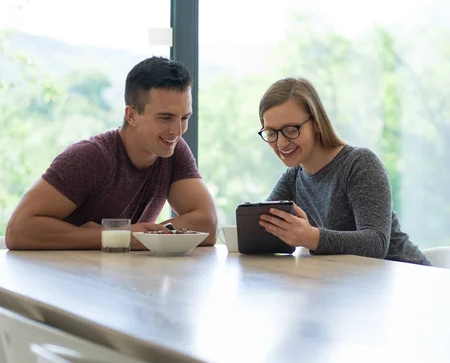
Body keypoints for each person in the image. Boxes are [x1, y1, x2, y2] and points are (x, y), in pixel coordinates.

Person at [6, 57, 217, 250]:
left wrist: (139, 237)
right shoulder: (90, 157)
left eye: (184, 118)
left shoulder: (174, 151)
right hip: (59, 282)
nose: (177, 130)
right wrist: (119, 236)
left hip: (114, 280)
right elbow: (18, 231)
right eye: (165, 118)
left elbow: (207, 223)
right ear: (132, 115)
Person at [257, 76, 431, 267]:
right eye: (271, 133)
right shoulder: (293, 178)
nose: (281, 143)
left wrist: (311, 237)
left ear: (316, 122)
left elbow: (376, 244)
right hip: (353, 286)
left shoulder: (360, 163)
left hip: (407, 278)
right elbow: (262, 231)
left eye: (291, 130)